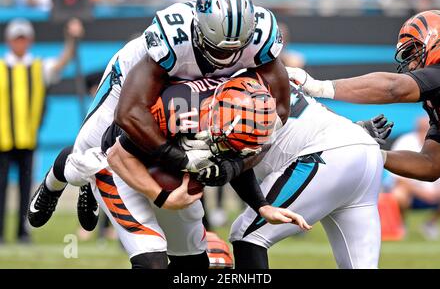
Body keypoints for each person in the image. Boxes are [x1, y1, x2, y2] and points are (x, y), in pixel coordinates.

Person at [28, 0, 289, 232]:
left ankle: (95, 177)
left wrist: (234, 163)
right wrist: (179, 158)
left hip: (204, 94)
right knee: (90, 150)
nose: (224, 59)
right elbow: (128, 114)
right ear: (199, 29)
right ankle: (55, 181)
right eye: (217, 50)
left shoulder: (260, 38)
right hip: (139, 83)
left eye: (234, 51)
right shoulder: (172, 39)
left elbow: (277, 114)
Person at [83, 73, 311, 269]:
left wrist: (262, 206)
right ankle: (64, 173)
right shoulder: (176, 108)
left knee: (193, 264)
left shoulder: (232, 117)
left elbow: (237, 156)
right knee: (151, 258)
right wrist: (161, 196)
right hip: (114, 159)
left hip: (168, 170)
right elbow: (118, 155)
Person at [230, 78, 391, 269]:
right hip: (364, 148)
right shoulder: (273, 74)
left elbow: (235, 152)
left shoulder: (231, 86)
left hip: (327, 153)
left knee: (246, 235)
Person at [286, 10, 440, 182]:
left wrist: (319, 87)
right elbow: (430, 164)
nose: (412, 64)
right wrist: (371, 151)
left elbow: (395, 88)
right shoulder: (437, 101)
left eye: (414, 50)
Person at [0, 17, 83, 244]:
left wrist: (71, 39)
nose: (20, 43)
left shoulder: (38, 67)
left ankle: (22, 231)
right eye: (17, 39)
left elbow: (61, 62)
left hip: (28, 138)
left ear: (30, 41)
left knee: (27, 189)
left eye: (24, 39)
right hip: (2, 139)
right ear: (9, 41)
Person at [390, 116, 440, 240]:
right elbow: (399, 179)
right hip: (413, 193)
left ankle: (430, 223)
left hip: (438, 193)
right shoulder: (405, 141)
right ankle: (401, 225)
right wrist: (422, 193)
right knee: (398, 194)